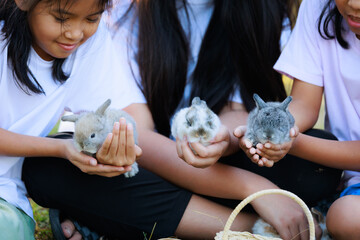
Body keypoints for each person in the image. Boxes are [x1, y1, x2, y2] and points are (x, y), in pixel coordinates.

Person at [23, 0, 336, 239]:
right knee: (50, 165)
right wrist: (255, 189)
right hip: (142, 159)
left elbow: (238, 109)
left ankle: (109, 218)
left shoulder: (262, 9)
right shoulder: (117, 10)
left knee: (319, 159)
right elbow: (137, 134)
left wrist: (222, 140)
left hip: (215, 162)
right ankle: (252, 227)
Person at [0, 0, 142, 239]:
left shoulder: (90, 45)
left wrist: (118, 148)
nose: (75, 33)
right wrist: (61, 148)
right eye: (62, 18)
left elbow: (108, 113)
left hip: (5, 195)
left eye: (92, 19)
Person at [243, 0, 360, 239]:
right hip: (352, 179)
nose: (355, 3)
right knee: (344, 215)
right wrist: (269, 129)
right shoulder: (318, 6)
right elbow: (304, 103)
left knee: (345, 218)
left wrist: (293, 144)